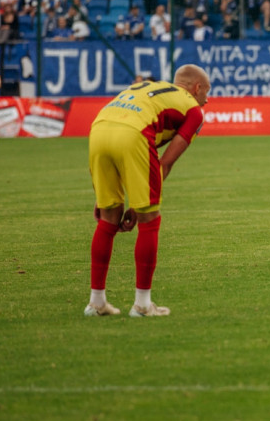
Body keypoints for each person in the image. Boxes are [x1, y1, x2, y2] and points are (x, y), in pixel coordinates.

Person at [85, 65, 212, 318]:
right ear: (197, 88)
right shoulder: (194, 111)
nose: (207, 100)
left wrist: (112, 197)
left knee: (108, 219)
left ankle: (96, 302)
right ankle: (142, 305)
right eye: (206, 92)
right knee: (149, 219)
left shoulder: (154, 88)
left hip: (98, 129)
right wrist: (140, 204)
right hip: (134, 134)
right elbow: (166, 162)